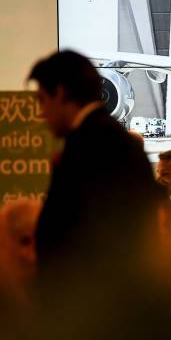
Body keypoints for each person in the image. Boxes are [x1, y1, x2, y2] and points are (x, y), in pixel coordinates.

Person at [29, 50, 160, 276]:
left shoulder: (93, 144)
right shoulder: (106, 137)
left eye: (42, 100)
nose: (41, 113)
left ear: (60, 94)